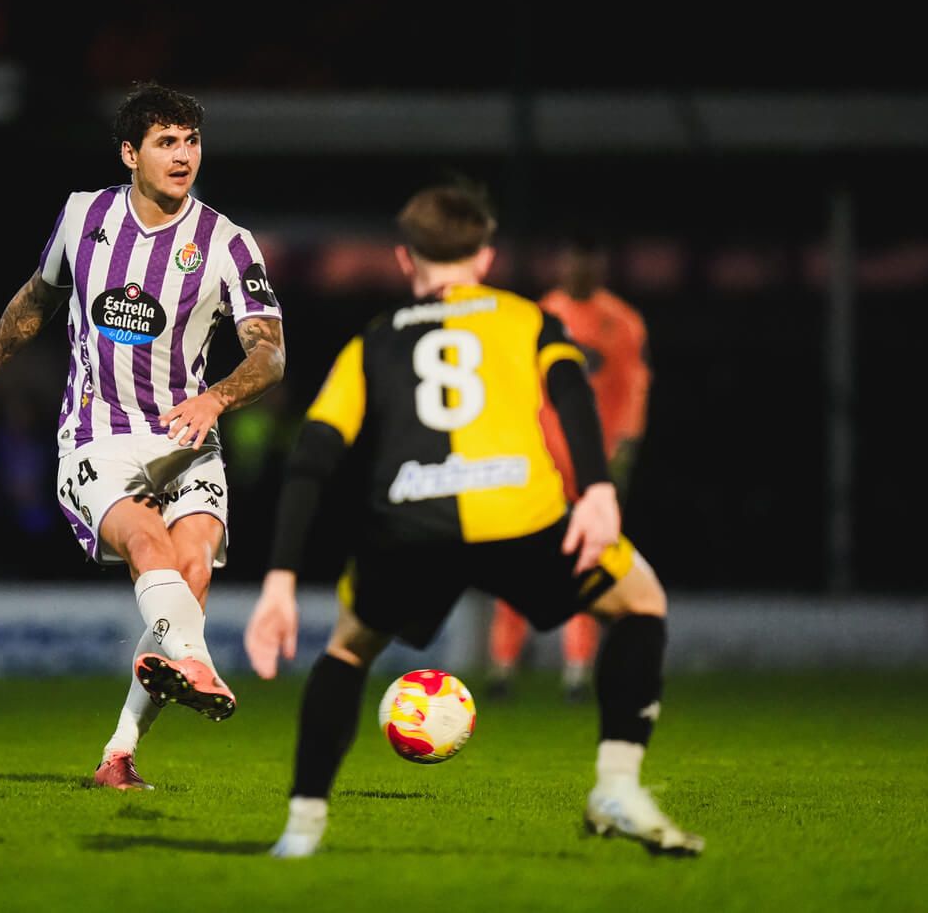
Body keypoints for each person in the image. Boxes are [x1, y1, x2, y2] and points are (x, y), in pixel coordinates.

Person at [244, 183, 701, 858]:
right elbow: (571, 390)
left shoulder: (374, 340)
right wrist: (598, 490)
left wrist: (281, 578)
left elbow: (314, 452)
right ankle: (616, 785)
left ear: (406, 259)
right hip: (521, 516)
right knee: (640, 603)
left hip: (409, 525)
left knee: (347, 650)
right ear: (485, 257)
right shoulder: (528, 318)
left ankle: (301, 828)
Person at [0, 81, 285, 791]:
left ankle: (119, 753)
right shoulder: (83, 216)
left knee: (193, 570)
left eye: (191, 141)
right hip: (97, 438)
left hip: (187, 435)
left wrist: (216, 397)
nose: (183, 156)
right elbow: (35, 301)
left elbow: (269, 354)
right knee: (150, 547)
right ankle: (198, 661)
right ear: (129, 153)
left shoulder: (228, 244)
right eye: (166, 142)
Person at [487, 232, 651, 702]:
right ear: (561, 264)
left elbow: (635, 389)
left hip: (594, 465)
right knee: (518, 560)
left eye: (590, 260)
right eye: (575, 259)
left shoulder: (623, 322)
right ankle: (503, 667)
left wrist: (624, 449)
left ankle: (577, 672)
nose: (582, 269)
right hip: (539, 461)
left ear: (601, 266)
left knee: (586, 560)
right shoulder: (538, 318)